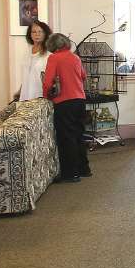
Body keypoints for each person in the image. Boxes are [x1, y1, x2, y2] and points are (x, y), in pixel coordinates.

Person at [42, 32, 90, 183]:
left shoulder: (54, 58)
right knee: (78, 134)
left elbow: (48, 82)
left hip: (64, 102)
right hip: (80, 100)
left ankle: (71, 173)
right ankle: (84, 169)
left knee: (66, 137)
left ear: (53, 45)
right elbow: (83, 76)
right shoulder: (75, 57)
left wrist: (47, 96)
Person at [15, 21, 52, 101]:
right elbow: (26, 74)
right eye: (34, 32)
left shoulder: (49, 54)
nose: (37, 34)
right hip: (25, 95)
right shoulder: (27, 51)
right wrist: (19, 91)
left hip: (41, 95)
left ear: (45, 34)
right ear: (30, 34)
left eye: (40, 32)